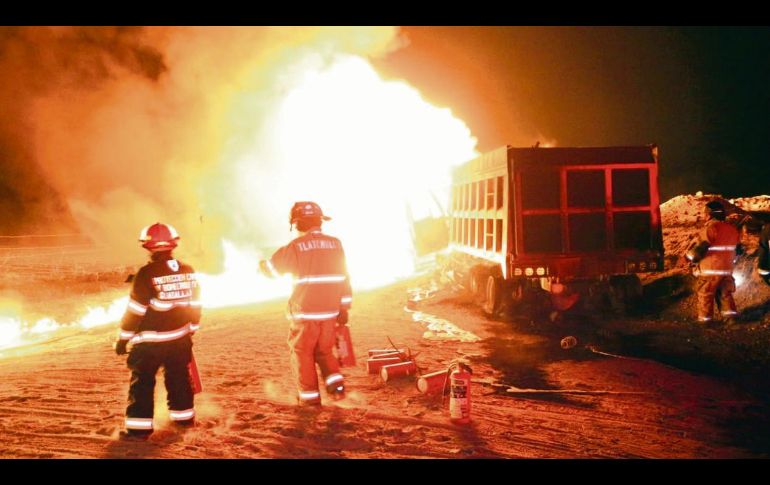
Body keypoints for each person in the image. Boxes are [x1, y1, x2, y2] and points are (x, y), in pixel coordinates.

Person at [114, 222, 202, 440]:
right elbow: (196, 304)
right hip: (180, 339)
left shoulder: (145, 274)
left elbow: (135, 311)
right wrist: (190, 329)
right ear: (173, 244)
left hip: (150, 344)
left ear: (147, 245)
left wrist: (122, 339)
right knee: (180, 379)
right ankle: (184, 420)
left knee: (142, 383)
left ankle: (138, 430)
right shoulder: (187, 270)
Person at [260, 202, 352, 406]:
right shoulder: (336, 244)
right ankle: (337, 390)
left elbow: (273, 270)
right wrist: (344, 308)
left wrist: (261, 264)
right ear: (320, 221)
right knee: (326, 351)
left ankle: (309, 399)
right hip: (330, 313)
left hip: (305, 314)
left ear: (296, 224)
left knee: (303, 353)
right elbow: (344, 277)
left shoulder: (296, 247)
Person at [686, 201, 742, 326]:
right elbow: (738, 250)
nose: (704, 216)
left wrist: (690, 257)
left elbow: (700, 250)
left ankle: (705, 321)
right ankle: (731, 318)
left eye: (706, 213)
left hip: (710, 269)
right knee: (725, 294)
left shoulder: (710, 228)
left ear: (710, 214)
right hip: (727, 269)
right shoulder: (732, 230)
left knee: (706, 294)